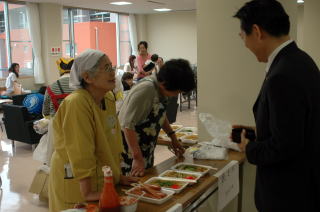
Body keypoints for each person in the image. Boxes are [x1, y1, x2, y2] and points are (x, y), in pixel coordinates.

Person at [233, 0, 320, 211]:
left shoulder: (281, 76)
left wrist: (249, 147)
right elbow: (297, 125)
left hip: (287, 194)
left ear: (257, 31)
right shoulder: (301, 61)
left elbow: (286, 145)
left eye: (242, 35)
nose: (243, 43)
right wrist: (260, 131)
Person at [48, 49, 138, 212]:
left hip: (102, 179)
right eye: (106, 68)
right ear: (87, 77)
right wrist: (87, 191)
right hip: (79, 181)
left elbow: (114, 140)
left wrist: (116, 177)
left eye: (112, 67)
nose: (113, 73)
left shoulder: (108, 98)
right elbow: (80, 150)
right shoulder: (77, 103)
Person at [119, 59, 196, 177]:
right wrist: (137, 157)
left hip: (145, 147)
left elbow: (159, 114)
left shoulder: (160, 89)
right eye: (177, 91)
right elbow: (127, 125)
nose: (176, 94)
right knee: (131, 188)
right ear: (165, 83)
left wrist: (173, 139)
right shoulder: (147, 89)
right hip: (129, 151)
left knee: (146, 184)